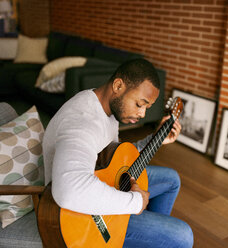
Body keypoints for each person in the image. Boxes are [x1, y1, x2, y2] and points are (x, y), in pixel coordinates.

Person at [42, 58, 194, 248]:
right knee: (183, 236)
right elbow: (68, 191)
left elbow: (113, 159)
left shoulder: (103, 106)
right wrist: (135, 202)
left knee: (172, 180)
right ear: (118, 85)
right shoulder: (82, 122)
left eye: (147, 107)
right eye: (140, 104)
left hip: (104, 184)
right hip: (85, 217)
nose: (142, 114)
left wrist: (156, 139)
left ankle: (150, 238)